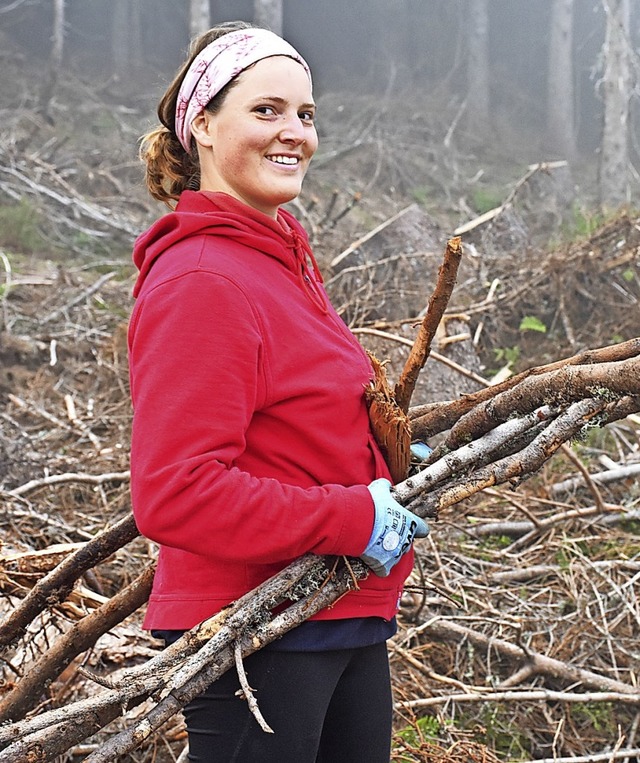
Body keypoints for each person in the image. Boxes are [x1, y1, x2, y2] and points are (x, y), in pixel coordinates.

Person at [128, 20, 428, 763]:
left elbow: (293, 426)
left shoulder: (283, 259)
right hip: (256, 635)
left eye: (306, 114)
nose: (294, 132)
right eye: (266, 110)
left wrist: (382, 465)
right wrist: (350, 514)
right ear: (201, 124)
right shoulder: (204, 279)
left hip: (336, 612)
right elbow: (176, 492)